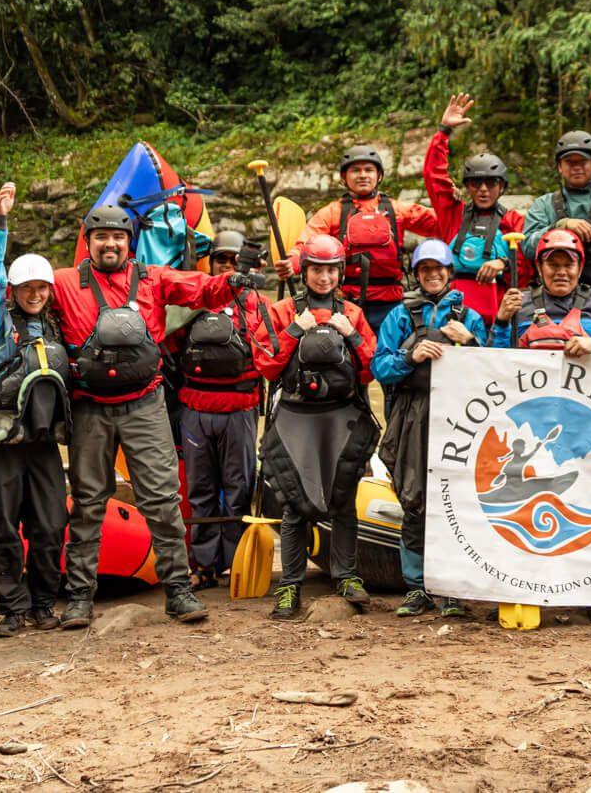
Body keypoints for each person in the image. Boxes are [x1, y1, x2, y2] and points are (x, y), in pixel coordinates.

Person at [51, 202, 247, 628]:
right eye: (101, 236)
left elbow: (201, 289)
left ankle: (177, 589)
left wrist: (233, 282)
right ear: (87, 242)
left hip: (144, 402)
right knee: (88, 502)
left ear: (129, 243)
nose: (110, 244)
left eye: (118, 237)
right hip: (89, 408)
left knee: (161, 498)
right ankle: (80, 595)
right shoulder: (64, 282)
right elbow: (21, 298)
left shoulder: (153, 278)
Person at [256, 235, 381, 620]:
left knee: (342, 499)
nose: (323, 277)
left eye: (330, 269)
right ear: (305, 270)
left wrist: (353, 334)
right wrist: (296, 330)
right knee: (295, 502)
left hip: (340, 417)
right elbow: (265, 364)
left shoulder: (352, 313)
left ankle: (346, 575)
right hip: (296, 418)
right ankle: (291, 584)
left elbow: (371, 367)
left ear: (339, 271)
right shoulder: (282, 311)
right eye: (316, 269)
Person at [0, 182, 72, 636]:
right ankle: (12, 606)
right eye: (27, 288)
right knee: (3, 527)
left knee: (50, 525)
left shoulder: (55, 324)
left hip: (43, 441)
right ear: (14, 289)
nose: (35, 294)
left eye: (41, 288)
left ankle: (43, 602)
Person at [371, 238, 493, 618]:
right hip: (413, 412)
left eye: (439, 269)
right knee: (414, 497)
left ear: (449, 271)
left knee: (455, 497)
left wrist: (469, 342)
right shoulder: (400, 316)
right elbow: (380, 366)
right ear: (417, 274)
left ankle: (452, 587)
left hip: (459, 416)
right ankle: (416, 586)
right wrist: (411, 355)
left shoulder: (468, 316)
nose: (433, 275)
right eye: (425, 270)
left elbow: (493, 370)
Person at [169, 229, 273, 589]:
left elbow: (270, 354)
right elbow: (168, 341)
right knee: (200, 491)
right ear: (210, 262)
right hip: (195, 409)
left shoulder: (257, 303)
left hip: (240, 408)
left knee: (238, 488)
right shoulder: (193, 300)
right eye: (221, 260)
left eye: (233, 260)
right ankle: (203, 565)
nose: (227, 266)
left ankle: (235, 563)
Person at [304, 144, 440, 333]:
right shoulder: (332, 213)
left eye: (369, 170)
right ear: (344, 177)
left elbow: (442, 223)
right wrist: (292, 262)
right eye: (355, 170)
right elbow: (306, 243)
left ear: (379, 176)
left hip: (390, 304)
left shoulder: (397, 210)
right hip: (345, 303)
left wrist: (453, 204)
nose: (362, 175)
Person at [422, 93, 524, 323]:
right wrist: (443, 132)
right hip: (453, 314)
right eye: (476, 183)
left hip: (496, 313)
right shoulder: (453, 214)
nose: (484, 189)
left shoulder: (513, 221)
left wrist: (503, 262)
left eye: (492, 183)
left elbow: (528, 262)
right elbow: (433, 176)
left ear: (502, 187)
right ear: (468, 186)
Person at [518, 128, 591, 305]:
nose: (577, 167)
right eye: (570, 162)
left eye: (583, 161)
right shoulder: (543, 204)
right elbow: (527, 248)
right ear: (559, 167)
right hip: (549, 298)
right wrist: (560, 227)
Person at [493, 229, 591, 355]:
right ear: (539, 267)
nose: (561, 272)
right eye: (553, 265)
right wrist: (501, 321)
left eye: (569, 265)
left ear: (580, 268)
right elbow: (493, 358)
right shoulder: (518, 304)